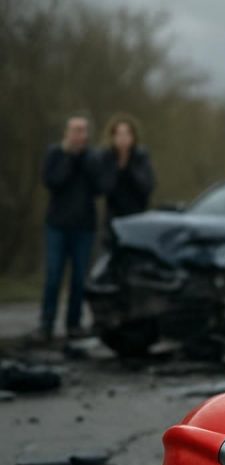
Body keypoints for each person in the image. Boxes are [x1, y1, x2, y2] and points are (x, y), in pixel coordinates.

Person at [36, 113, 106, 341]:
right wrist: (69, 157)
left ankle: (73, 324)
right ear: (66, 133)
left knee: (79, 279)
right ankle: (46, 323)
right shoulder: (55, 154)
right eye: (75, 130)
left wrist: (83, 159)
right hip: (57, 225)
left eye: (82, 130)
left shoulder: (93, 157)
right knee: (53, 275)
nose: (79, 135)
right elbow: (52, 182)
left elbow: (100, 187)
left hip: (84, 227)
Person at [99, 113, 155, 231]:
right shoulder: (107, 158)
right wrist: (117, 167)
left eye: (126, 134)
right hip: (113, 218)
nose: (123, 138)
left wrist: (129, 167)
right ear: (112, 137)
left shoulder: (141, 157)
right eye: (119, 134)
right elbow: (104, 188)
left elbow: (147, 187)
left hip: (137, 216)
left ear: (133, 136)